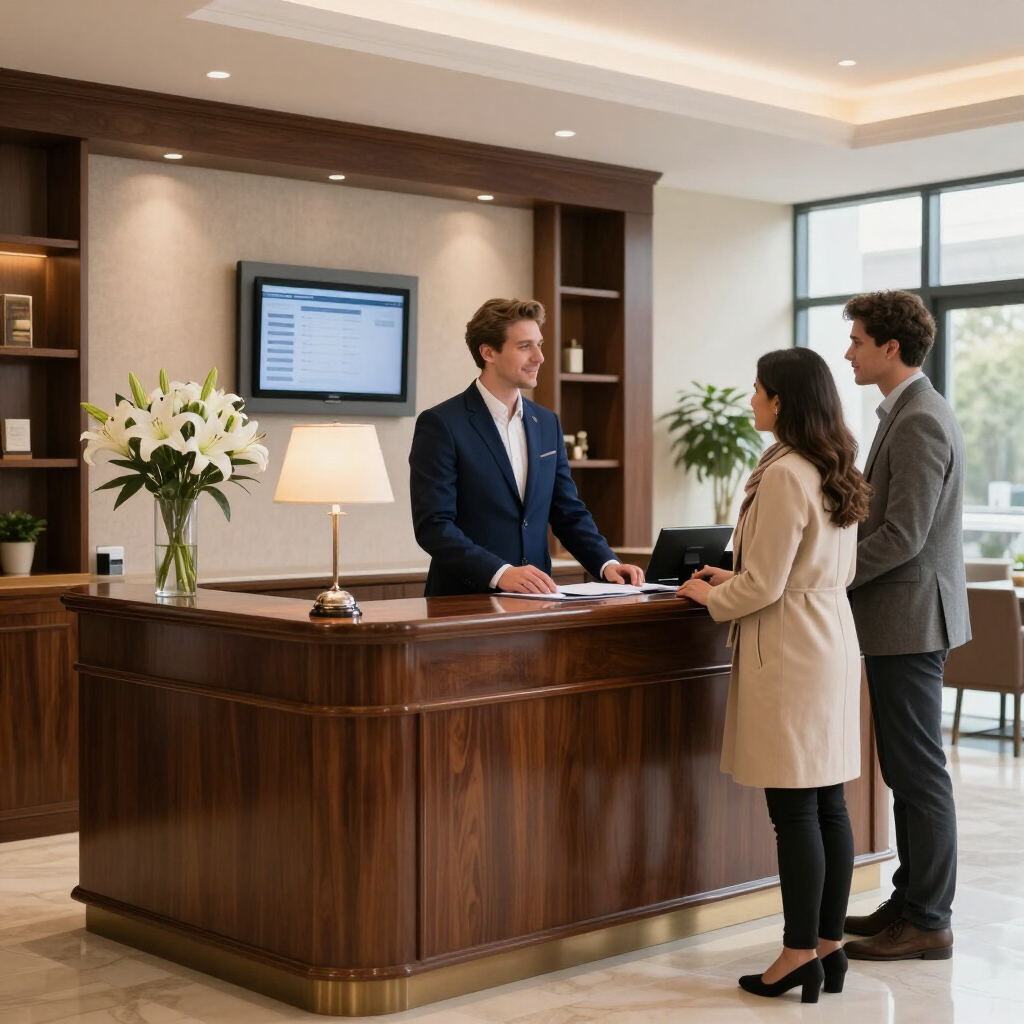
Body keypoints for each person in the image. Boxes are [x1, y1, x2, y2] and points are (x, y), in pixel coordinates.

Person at [678, 347, 872, 1003]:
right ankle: (827, 946)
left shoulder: (787, 472)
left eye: (757, 388)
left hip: (793, 650)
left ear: (782, 399)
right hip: (828, 639)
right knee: (827, 803)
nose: (751, 399)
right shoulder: (831, 462)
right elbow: (798, 568)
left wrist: (707, 595)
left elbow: (764, 586)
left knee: (795, 811)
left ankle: (796, 954)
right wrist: (739, 581)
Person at [841, 290, 969, 962]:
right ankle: (910, 899)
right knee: (906, 769)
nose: (849, 351)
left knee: (918, 773)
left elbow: (903, 536)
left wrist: (829, 573)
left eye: (858, 341)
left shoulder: (919, 418)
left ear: (891, 348)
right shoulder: (908, 411)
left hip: (910, 620)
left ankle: (928, 918)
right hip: (901, 619)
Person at [409, 298, 644, 596]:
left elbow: (567, 511)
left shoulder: (547, 423)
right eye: (525, 347)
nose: (540, 357)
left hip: (538, 601)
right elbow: (434, 526)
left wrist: (605, 562)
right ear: (488, 352)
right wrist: (501, 573)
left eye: (540, 344)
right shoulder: (441, 424)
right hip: (464, 602)